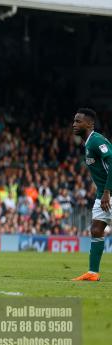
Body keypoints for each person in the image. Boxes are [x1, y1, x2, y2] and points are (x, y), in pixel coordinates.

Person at [72, 108, 111, 281]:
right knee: (96, 230)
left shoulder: (96, 141)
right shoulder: (87, 143)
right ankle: (93, 273)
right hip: (102, 193)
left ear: (89, 124)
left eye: (78, 121)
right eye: (74, 121)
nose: (74, 124)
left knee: (97, 229)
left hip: (108, 193)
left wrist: (107, 192)